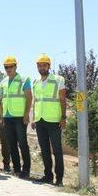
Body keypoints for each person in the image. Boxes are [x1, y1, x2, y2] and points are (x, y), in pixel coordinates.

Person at [31, 54, 67, 186]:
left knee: (57, 150)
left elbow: (63, 99)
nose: (42, 67)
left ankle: (59, 179)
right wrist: (34, 118)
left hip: (54, 120)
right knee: (44, 150)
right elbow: (36, 101)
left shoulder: (58, 79)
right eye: (39, 65)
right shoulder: (36, 82)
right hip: (40, 120)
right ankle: (48, 176)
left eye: (44, 65)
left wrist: (63, 117)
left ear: (49, 66)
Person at [0, 56, 32, 179]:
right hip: (7, 117)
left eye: (11, 66)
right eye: (6, 67)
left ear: (16, 66)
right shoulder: (3, 82)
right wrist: (1, 116)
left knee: (22, 143)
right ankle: (16, 169)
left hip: (19, 117)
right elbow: (2, 101)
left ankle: (26, 170)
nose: (8, 69)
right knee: (11, 144)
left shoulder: (24, 79)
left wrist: (26, 114)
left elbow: (29, 97)